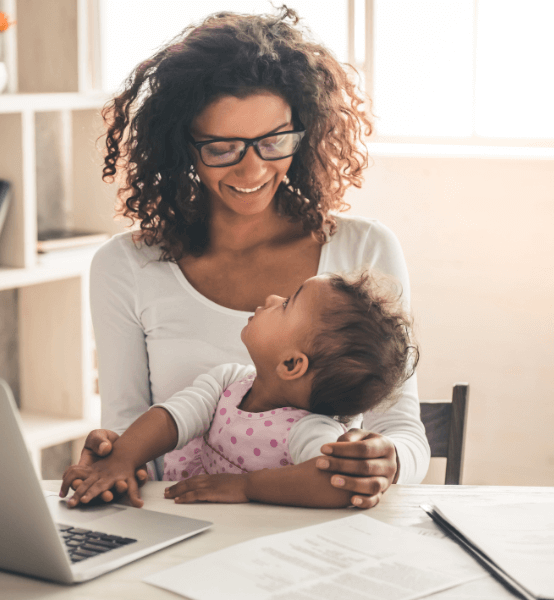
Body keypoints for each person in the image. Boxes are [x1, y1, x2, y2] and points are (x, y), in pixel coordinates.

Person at [72, 5, 430, 509]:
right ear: (183, 147)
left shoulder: (364, 248)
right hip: (180, 524)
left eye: (273, 141)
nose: (252, 168)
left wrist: (386, 461)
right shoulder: (125, 266)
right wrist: (116, 456)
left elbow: (401, 431)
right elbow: (132, 429)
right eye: (222, 148)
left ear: (303, 132)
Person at [62, 271, 418, 508]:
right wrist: (122, 457)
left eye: (287, 304)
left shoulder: (310, 429)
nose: (273, 296)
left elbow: (336, 481)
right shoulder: (227, 382)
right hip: (182, 523)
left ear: (292, 365)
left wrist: (247, 487)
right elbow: (172, 419)